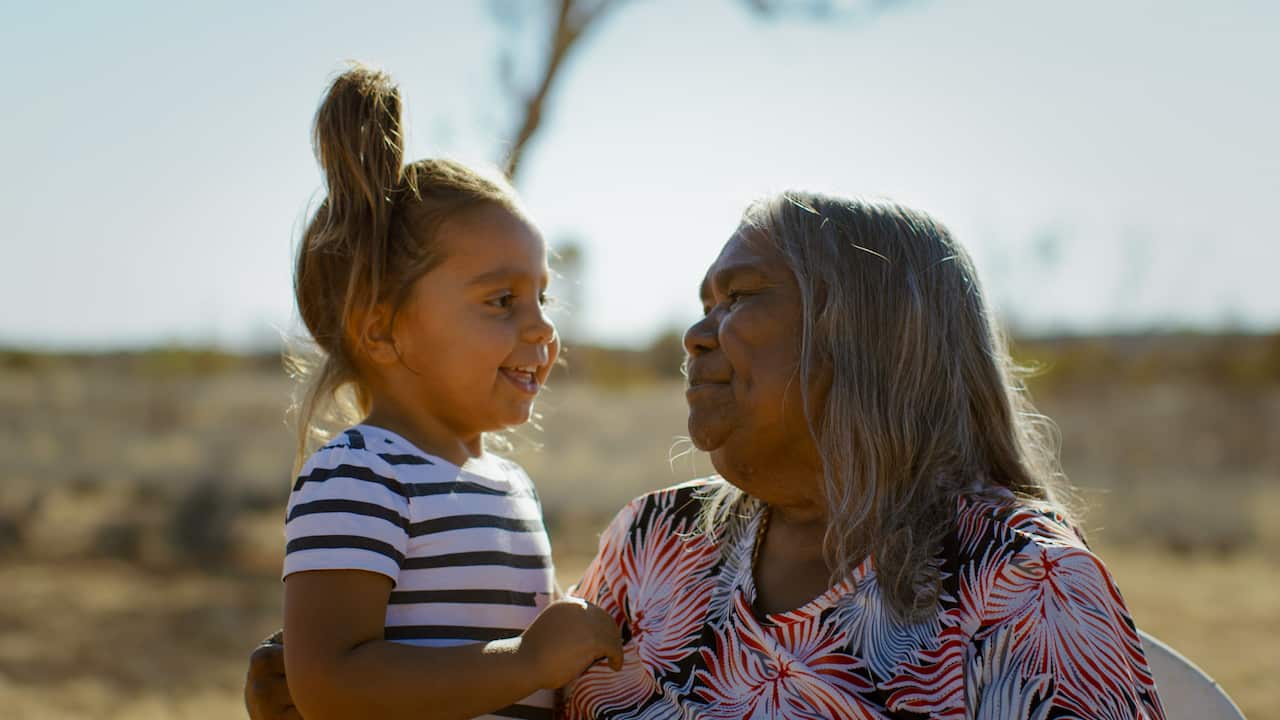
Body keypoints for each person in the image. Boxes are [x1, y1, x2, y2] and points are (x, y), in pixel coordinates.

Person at [248, 192, 1166, 719]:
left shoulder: (1022, 584)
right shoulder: (658, 542)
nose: (697, 334)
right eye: (703, 303)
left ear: (868, 337)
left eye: (740, 297)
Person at [270, 64, 621, 720]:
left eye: (542, 298)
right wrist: (526, 662)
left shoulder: (512, 485)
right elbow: (327, 683)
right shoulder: (360, 475)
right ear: (382, 330)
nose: (543, 328)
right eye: (501, 300)